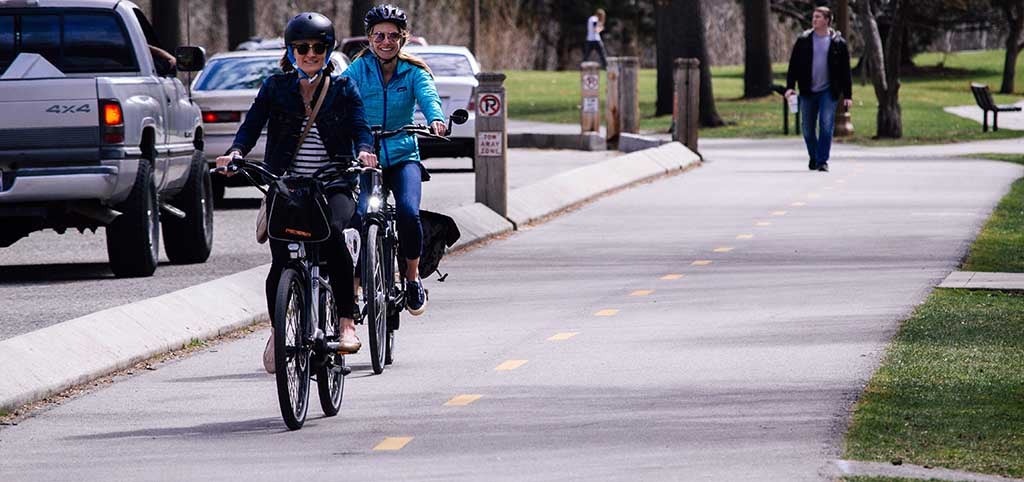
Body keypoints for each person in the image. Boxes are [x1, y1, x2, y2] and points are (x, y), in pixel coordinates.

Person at [215, 12, 377, 371]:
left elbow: (360, 127)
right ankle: (279, 330)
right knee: (281, 262)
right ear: (291, 52)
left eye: (318, 47)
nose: (310, 54)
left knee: (334, 238)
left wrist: (365, 150)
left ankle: (346, 324)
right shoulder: (275, 87)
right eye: (302, 48)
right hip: (287, 186)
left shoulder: (343, 89)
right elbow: (251, 125)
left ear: (328, 51)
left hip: (333, 182)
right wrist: (236, 153)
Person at [343, 4, 446, 316]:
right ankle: (354, 287)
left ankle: (412, 279)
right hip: (367, 158)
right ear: (369, 39)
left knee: (408, 213)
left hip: (403, 156)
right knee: (359, 217)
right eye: (379, 36)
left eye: (392, 36)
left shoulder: (414, 71)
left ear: (403, 38)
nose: (385, 42)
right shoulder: (357, 70)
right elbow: (337, 95)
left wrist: (436, 119)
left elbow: (429, 97)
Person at [784, 6, 852, 173]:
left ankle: (822, 161)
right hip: (807, 90)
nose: (814, 19)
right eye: (814, 17)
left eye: (818, 17)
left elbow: (845, 71)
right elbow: (793, 66)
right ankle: (814, 157)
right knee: (807, 129)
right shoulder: (803, 40)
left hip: (828, 91)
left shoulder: (838, 43)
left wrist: (848, 95)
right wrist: (790, 87)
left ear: (827, 20)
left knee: (826, 125)